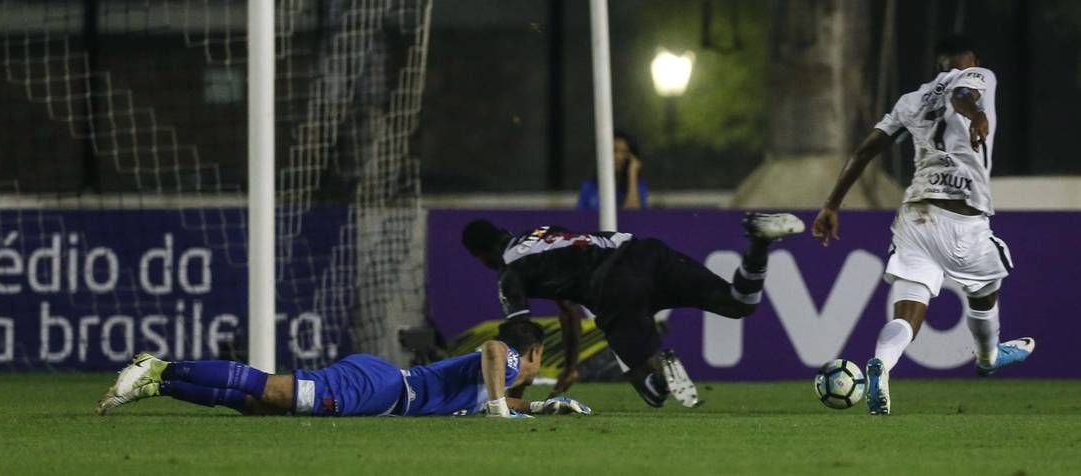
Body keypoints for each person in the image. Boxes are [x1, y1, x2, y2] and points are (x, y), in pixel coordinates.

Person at [812, 35, 1035, 416]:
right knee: (984, 291)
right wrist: (976, 114)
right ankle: (988, 357)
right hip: (963, 218)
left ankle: (882, 364)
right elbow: (960, 96)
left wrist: (831, 205)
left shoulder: (910, 101)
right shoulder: (980, 76)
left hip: (916, 216)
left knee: (907, 314)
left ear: (938, 65)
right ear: (970, 61)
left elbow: (864, 151)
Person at [461, 212, 805, 408]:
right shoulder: (542, 232)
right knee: (739, 302)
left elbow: (523, 330)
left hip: (612, 287)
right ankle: (758, 241)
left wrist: (514, 389)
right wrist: (570, 366)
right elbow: (567, 309)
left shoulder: (509, 272)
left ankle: (660, 367)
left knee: (652, 393)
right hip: (645, 253)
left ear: (480, 257)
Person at [95, 318, 591, 418]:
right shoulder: (503, 363)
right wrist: (504, 407)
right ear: (534, 355)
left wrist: (542, 406)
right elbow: (492, 354)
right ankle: (157, 363)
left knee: (256, 407)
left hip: (383, 390)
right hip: (378, 389)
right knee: (270, 391)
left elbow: (493, 395)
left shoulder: (498, 386)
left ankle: (159, 385)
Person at [577, 130, 647, 209]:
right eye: (614, 151)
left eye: (624, 152)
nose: (618, 157)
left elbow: (633, 215)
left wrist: (632, 174)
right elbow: (579, 218)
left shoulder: (638, 186)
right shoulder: (589, 187)